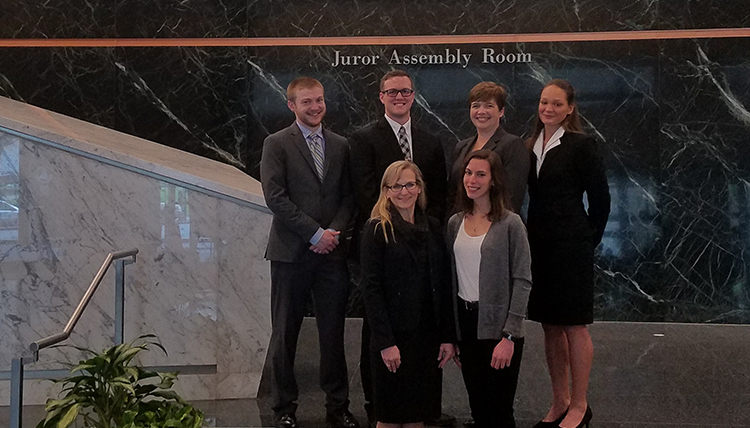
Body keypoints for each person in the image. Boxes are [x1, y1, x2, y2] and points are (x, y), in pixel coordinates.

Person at [349, 70, 450, 427]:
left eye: (405, 91)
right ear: (381, 97)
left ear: (413, 95)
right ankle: (375, 405)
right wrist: (396, 224)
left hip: (424, 245)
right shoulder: (363, 140)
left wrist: (421, 225)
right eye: (392, 92)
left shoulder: (430, 140)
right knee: (387, 387)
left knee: (421, 403)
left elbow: (438, 193)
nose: (399, 96)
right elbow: (364, 194)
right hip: (387, 248)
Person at [260, 76, 359, 428]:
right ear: (292, 105)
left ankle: (338, 406)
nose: (314, 106)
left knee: (333, 333)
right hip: (290, 252)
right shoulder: (276, 144)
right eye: (306, 102)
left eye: (319, 100)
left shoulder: (341, 144)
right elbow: (275, 197)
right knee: (285, 333)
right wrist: (314, 233)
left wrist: (333, 233)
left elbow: (350, 196)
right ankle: (284, 409)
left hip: (331, 254)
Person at [526, 80, 610, 428]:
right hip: (539, 245)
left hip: (572, 245)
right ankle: (559, 400)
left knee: (575, 325)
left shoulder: (581, 144)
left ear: (570, 108)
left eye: (557, 104)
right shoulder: (531, 144)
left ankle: (580, 404)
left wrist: (587, 239)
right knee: (549, 325)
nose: (549, 108)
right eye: (544, 102)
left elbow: (601, 199)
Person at [359, 160, 456, 428]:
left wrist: (447, 337)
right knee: (389, 419)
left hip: (426, 337)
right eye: (397, 186)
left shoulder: (434, 227)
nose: (404, 191)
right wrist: (385, 343)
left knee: (417, 417)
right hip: (392, 338)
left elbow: (444, 282)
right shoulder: (376, 229)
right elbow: (371, 289)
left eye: (410, 184)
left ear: (419, 188)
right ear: (386, 191)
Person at [447, 149, 532, 428]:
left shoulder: (511, 224)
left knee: (499, 412)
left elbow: (522, 281)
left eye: (480, 174)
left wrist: (509, 336)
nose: (472, 179)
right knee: (478, 408)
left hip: (499, 328)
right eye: (468, 173)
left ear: (494, 180)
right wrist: (453, 334)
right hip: (467, 325)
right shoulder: (455, 222)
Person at [448, 82, 529, 214]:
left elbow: (512, 199)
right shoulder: (461, 147)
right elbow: (452, 195)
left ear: (501, 111)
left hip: (495, 226)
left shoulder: (513, 145)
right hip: (462, 225)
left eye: (489, 106)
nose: (481, 111)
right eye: (476, 106)